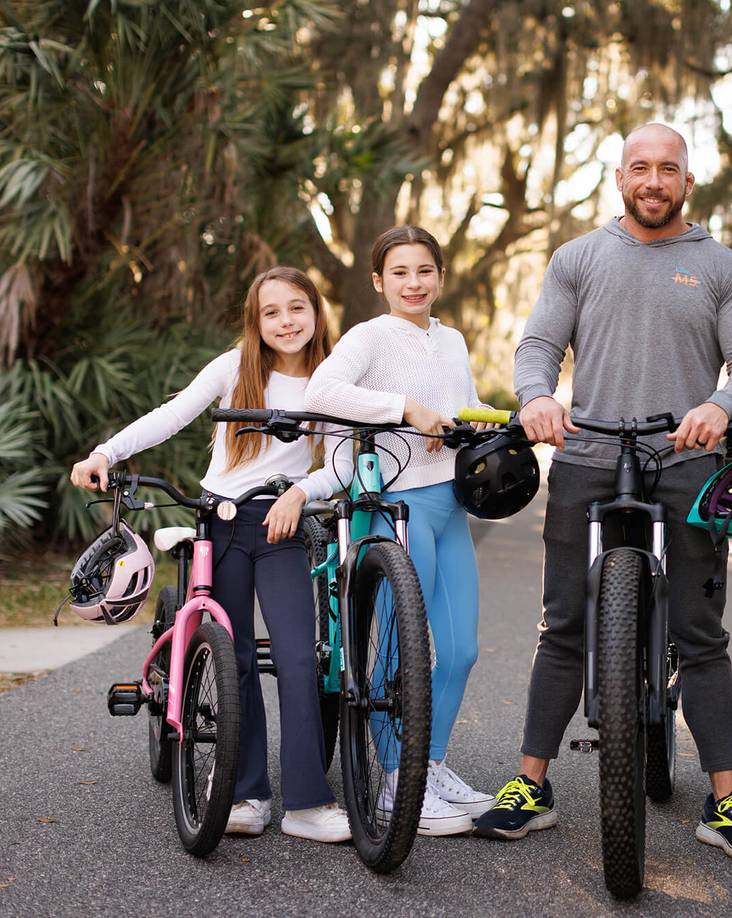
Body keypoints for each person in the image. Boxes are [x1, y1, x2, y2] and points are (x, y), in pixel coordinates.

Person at [473, 123, 732, 861]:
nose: (653, 180)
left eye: (667, 169)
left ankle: (727, 796)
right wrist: (535, 397)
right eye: (640, 168)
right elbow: (540, 345)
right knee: (563, 624)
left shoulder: (722, 268)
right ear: (619, 178)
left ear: (686, 181)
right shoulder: (578, 258)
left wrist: (721, 406)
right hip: (586, 453)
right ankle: (530, 784)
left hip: (686, 457)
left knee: (701, 633)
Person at [70, 267, 353, 843]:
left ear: (316, 312)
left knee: (300, 660)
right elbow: (171, 417)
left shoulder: (333, 380)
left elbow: (343, 462)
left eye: (296, 308)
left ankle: (306, 802)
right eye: (271, 312)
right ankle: (246, 792)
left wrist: (302, 492)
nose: (286, 322)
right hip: (220, 523)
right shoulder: (235, 368)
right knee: (237, 659)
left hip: (283, 526)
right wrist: (105, 451)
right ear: (256, 321)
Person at [304, 225, 495, 837]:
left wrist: (503, 423)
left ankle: (429, 765)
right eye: (400, 273)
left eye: (424, 272)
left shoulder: (454, 340)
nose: (414, 284)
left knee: (460, 648)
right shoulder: (370, 337)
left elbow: (461, 408)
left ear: (440, 276)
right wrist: (405, 409)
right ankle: (393, 777)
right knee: (394, 651)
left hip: (450, 503)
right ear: (379, 281)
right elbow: (322, 391)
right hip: (392, 504)